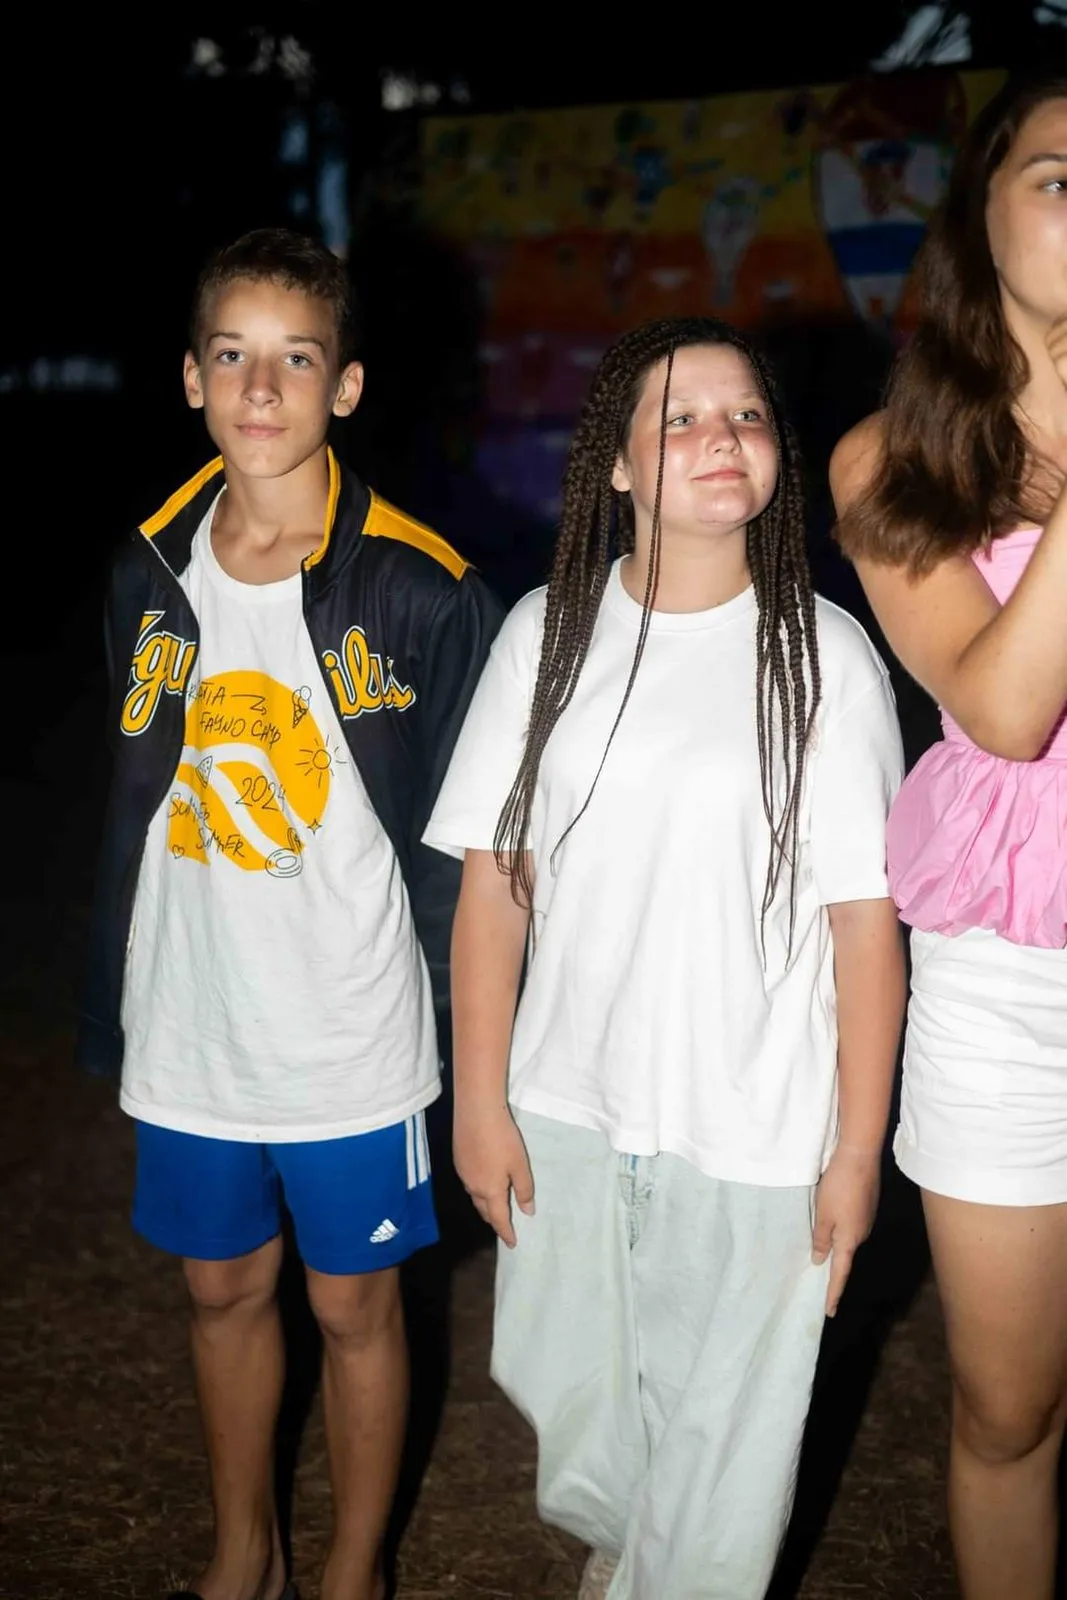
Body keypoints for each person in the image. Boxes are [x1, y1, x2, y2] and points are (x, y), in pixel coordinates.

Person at [423, 316, 906, 1599]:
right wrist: (478, 1101)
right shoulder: (545, 635)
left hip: (752, 1127)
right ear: (618, 462)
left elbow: (865, 925)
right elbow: (494, 885)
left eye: (744, 414)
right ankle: (635, 1554)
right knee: (575, 1412)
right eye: (679, 416)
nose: (719, 437)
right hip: (569, 1104)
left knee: (724, 1454)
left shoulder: (824, 657)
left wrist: (855, 1152)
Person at [76, 228, 502, 1600]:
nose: (261, 388)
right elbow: (136, 797)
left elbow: (479, 845)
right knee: (219, 1290)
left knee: (354, 1305)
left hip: (352, 1034)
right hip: (193, 1022)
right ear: (190, 378)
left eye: (297, 358)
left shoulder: (420, 586)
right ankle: (241, 1554)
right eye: (233, 355)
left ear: (348, 386)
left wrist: (479, 1044)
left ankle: (351, 1567)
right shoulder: (148, 570)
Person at [831, 74, 1067, 1600]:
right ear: (979, 215)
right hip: (1007, 996)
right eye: (1057, 179)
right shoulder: (886, 465)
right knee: (1007, 1409)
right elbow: (999, 708)